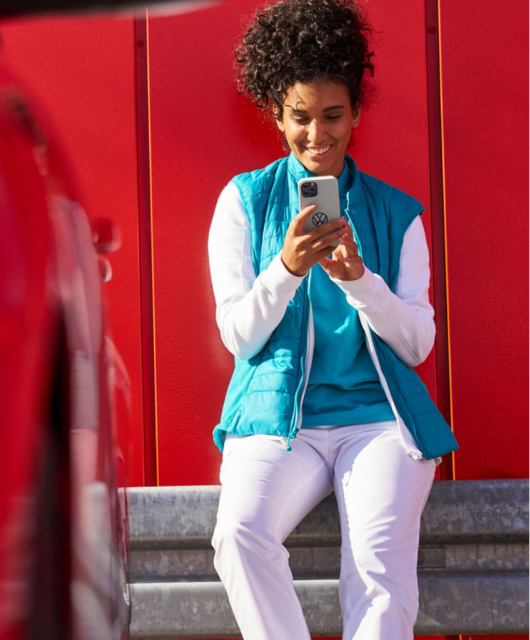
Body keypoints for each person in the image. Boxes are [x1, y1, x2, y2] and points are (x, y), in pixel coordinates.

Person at [207, 0, 459, 638]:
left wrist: (358, 280)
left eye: (333, 115)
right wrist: (288, 267)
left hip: (378, 422)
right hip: (278, 422)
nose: (317, 134)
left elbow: (418, 343)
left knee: (378, 568)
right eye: (300, 116)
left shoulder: (398, 214)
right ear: (276, 113)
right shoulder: (244, 202)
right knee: (238, 533)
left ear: (355, 114)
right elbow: (239, 334)